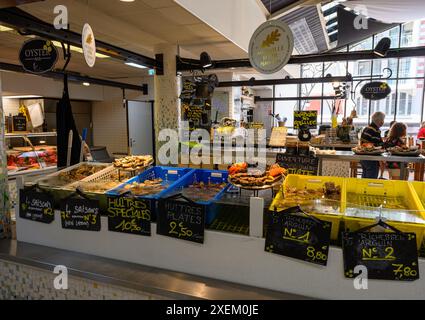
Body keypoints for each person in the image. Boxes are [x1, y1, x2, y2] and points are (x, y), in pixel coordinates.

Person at [360, 111, 385, 179]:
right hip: (371, 158)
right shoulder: (375, 131)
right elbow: (377, 145)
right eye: (383, 120)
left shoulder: (367, 128)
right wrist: (385, 144)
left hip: (363, 157)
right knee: (371, 179)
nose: (383, 122)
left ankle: (362, 189)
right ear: (379, 121)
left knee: (364, 177)